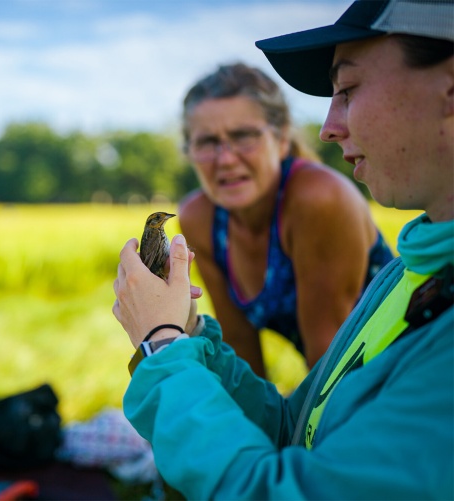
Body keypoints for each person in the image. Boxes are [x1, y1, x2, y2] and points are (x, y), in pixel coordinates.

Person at [113, 0, 453, 498]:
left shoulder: (319, 200)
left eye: (348, 89)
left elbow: (301, 471)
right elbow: (309, 416)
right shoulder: (413, 267)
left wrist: (160, 348)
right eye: (206, 142)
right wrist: (187, 338)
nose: (328, 126)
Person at [177, 62, 394, 376]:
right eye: (207, 142)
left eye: (243, 136)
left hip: (399, 379)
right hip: (336, 385)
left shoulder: (317, 199)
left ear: (280, 140)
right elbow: (240, 350)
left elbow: (328, 360)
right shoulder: (200, 218)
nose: (225, 159)